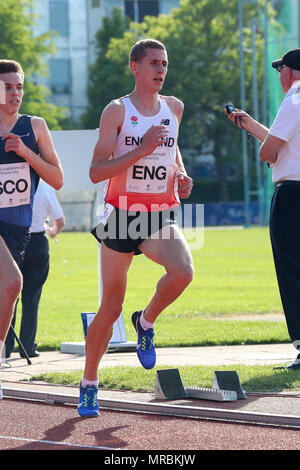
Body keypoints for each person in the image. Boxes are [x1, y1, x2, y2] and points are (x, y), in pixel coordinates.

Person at [78, 39, 194, 417]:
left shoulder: (174, 106)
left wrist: (181, 174)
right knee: (109, 307)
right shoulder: (117, 111)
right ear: (135, 67)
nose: (161, 70)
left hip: (158, 213)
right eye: (154, 63)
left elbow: (172, 147)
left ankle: (145, 322)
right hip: (122, 215)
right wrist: (141, 150)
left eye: (165, 63)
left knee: (183, 273)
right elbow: (97, 171)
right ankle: (89, 384)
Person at [225, 48, 300, 370]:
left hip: (293, 194)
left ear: (290, 72)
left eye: (280, 70)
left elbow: (269, 153)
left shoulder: (295, 96)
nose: (280, 76)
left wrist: (266, 148)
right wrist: (251, 125)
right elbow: (282, 143)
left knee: (292, 270)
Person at [0, 60, 64, 400]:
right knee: (13, 282)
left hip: (19, 230)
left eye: (19, 87)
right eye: (7, 87)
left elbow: (57, 178)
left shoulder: (34, 127)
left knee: (6, 290)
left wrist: (26, 152)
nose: (15, 93)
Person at [5, 179, 65, 358]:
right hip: (38, 242)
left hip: (13, 241)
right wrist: (52, 232)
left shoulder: (12, 180)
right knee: (32, 299)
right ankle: (27, 347)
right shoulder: (45, 186)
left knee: (9, 296)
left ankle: (5, 347)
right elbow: (60, 221)